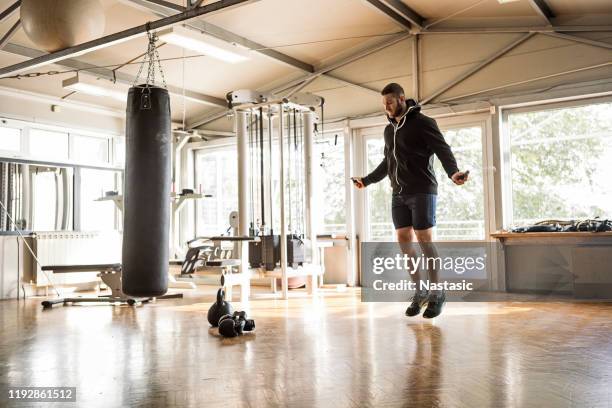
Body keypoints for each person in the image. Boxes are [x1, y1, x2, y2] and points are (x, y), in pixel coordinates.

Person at [353, 83, 468, 318]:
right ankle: (420, 291)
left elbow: (442, 149)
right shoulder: (389, 131)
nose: (386, 108)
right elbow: (388, 163)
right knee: (405, 243)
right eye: (384, 104)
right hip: (398, 193)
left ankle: (437, 293)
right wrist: (366, 180)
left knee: (424, 241)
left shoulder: (423, 123)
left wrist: (453, 173)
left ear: (401, 99)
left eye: (390, 103)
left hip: (422, 190)